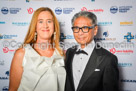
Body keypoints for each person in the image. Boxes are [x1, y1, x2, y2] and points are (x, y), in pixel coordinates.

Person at [9, 7, 66, 91]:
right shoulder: (22, 54)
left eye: (49, 21)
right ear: (35, 27)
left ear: (54, 26)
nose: (45, 25)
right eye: (40, 21)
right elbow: (12, 89)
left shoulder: (61, 54)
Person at [65, 11, 119, 91]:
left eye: (85, 28)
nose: (80, 33)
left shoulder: (108, 59)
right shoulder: (69, 52)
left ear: (95, 30)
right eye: (76, 28)